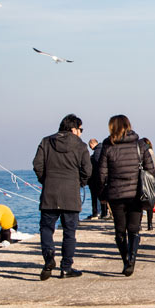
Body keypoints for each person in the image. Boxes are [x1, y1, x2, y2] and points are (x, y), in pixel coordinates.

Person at [33, 113, 92, 280]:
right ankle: (66, 267)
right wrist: (79, 183)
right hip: (71, 194)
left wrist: (46, 180)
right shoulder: (80, 146)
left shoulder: (46, 141)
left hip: (49, 193)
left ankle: (49, 256)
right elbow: (87, 170)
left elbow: (37, 165)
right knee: (69, 232)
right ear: (73, 129)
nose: (81, 133)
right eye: (80, 129)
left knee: (46, 228)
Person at [99, 114, 155, 276]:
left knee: (119, 230)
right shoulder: (139, 145)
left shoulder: (108, 146)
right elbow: (150, 170)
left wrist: (102, 194)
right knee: (134, 229)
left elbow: (102, 174)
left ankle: (125, 260)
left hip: (116, 194)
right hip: (136, 193)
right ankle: (132, 259)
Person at [87, 138, 108, 220]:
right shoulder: (103, 149)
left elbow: (96, 165)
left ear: (92, 144)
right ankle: (103, 213)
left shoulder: (97, 152)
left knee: (96, 197)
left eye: (90, 146)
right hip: (104, 178)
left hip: (97, 179)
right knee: (103, 197)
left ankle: (96, 213)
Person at [141, 138, 155, 231]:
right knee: (150, 204)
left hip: (144, 180)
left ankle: (140, 224)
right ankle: (150, 224)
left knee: (140, 202)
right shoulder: (154, 155)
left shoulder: (145, 154)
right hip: (153, 182)